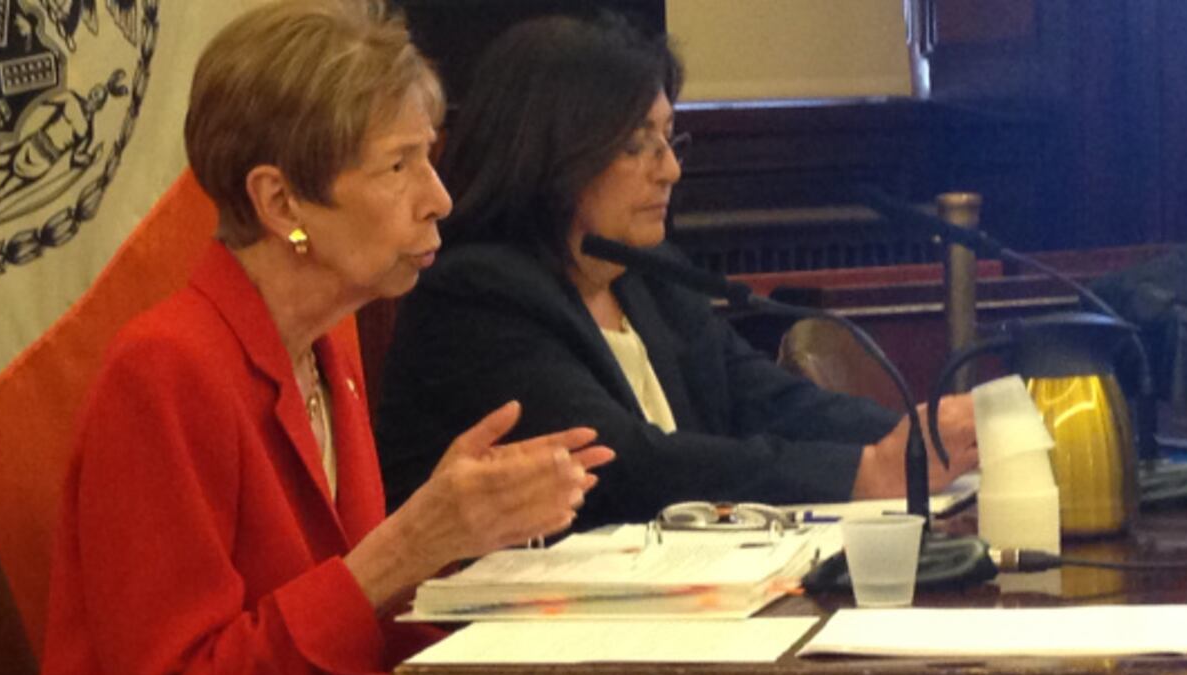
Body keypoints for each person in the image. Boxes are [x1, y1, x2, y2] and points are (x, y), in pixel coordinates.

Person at [0, 3, 613, 675]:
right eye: (399, 165)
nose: (439, 196)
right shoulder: (164, 368)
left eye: (429, 158)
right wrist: (410, 543)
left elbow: (347, 630)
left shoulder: (328, 352)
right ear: (280, 202)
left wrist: (502, 575)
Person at [376, 14, 978, 532]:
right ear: (552, 154)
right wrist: (861, 473)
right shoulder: (479, 297)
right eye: (636, 145)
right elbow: (622, 465)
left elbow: (764, 400)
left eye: (668, 139)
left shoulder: (646, 274)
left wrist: (921, 439)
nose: (669, 170)